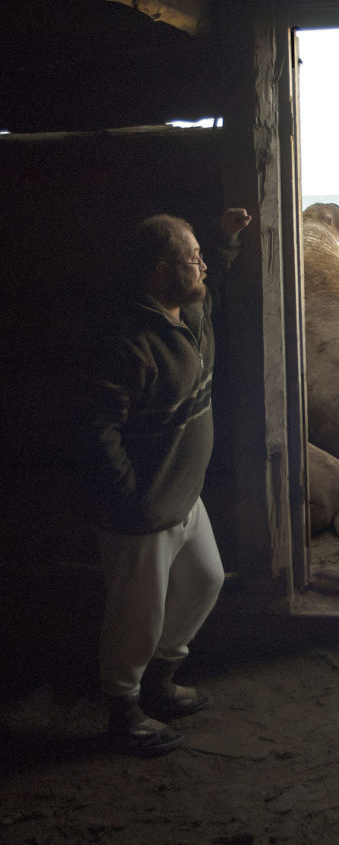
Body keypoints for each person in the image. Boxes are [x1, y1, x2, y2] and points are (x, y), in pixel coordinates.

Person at [81, 207, 251, 756]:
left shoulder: (189, 313)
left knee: (206, 580)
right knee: (136, 617)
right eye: (191, 256)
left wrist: (223, 243)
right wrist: (130, 494)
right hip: (143, 512)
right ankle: (123, 710)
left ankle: (160, 681)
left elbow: (212, 283)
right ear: (159, 271)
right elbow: (95, 427)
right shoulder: (128, 343)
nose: (201, 265)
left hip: (184, 497)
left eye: (201, 255)